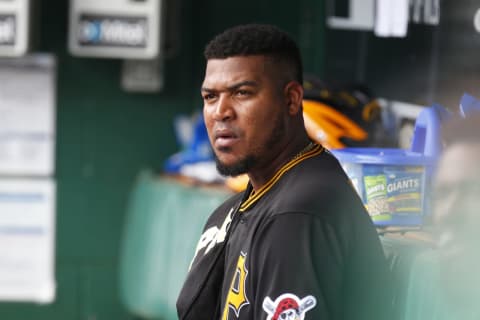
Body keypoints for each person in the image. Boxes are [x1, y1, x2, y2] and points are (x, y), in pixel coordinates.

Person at [176, 24, 389, 320]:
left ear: (291, 100)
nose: (221, 111)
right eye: (210, 97)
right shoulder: (255, 199)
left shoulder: (297, 215)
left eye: (241, 93)